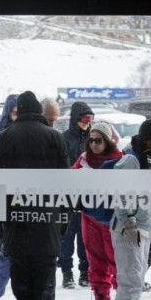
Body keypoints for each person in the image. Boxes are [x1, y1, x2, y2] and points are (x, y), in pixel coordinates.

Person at [0, 91, 69, 300]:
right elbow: (65, 183)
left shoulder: (3, 138)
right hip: (46, 225)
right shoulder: (54, 137)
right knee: (44, 288)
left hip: (17, 227)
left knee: (22, 290)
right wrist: (63, 220)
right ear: (38, 111)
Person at [73, 120, 124, 300]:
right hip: (89, 218)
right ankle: (101, 297)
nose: (94, 144)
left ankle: (122, 296)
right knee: (96, 263)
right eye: (91, 140)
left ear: (108, 141)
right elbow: (70, 180)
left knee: (116, 263)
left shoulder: (120, 159)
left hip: (113, 220)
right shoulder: (84, 159)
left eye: (99, 140)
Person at [105, 119, 151, 300]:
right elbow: (122, 193)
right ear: (150, 139)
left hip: (144, 226)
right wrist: (128, 222)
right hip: (128, 227)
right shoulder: (132, 159)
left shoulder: (148, 158)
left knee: (136, 280)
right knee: (130, 282)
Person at [60, 101, 94, 288]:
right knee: (66, 236)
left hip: (88, 195)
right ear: (75, 118)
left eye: (90, 119)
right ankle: (66, 272)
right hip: (68, 194)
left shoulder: (93, 138)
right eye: (83, 118)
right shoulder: (64, 138)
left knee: (85, 237)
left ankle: (84, 271)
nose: (87, 122)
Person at [0, 93, 19, 267]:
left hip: (16, 185)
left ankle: (10, 256)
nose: (17, 117)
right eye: (14, 112)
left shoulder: (22, 130)